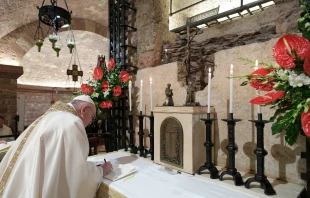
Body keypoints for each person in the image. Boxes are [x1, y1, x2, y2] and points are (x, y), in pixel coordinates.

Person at [0, 95, 113, 198]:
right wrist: (100, 170)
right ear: (84, 110)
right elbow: (76, 173)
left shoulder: (48, 117)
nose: (90, 123)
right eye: (92, 118)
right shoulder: (72, 122)